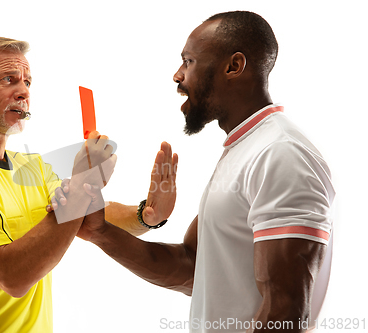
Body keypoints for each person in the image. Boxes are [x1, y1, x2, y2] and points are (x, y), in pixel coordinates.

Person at [52, 10, 335, 333]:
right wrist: (101, 231)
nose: (177, 75)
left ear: (234, 66)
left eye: (188, 61)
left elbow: (285, 312)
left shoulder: (280, 153)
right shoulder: (246, 149)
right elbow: (193, 268)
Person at [0, 36, 177, 333]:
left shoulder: (32, 167)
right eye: (9, 79)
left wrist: (147, 215)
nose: (23, 91)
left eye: (27, 82)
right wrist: (80, 185)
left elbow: (87, 220)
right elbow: (12, 277)